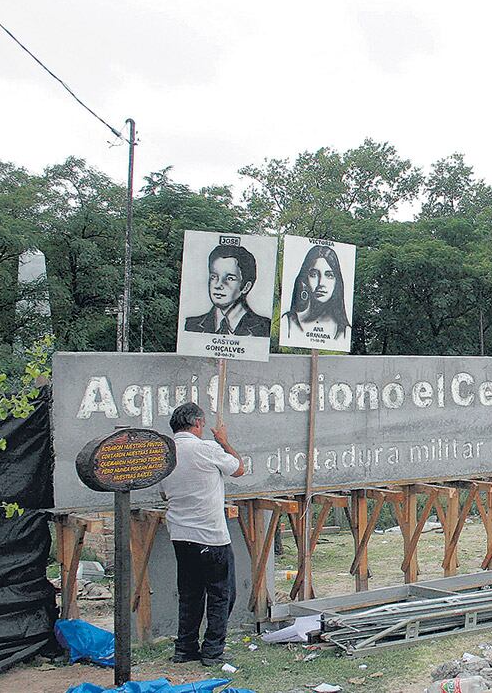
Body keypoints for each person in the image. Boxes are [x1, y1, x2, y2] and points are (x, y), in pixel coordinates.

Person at [159, 402, 245, 666]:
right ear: (197, 424)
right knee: (221, 594)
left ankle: (185, 649)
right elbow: (239, 469)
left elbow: (164, 492)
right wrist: (224, 441)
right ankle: (212, 650)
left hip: (181, 534)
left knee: (190, 594)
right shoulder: (206, 448)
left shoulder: (167, 454)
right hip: (210, 535)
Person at [184, 243, 271, 337]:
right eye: (214, 277)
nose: (218, 285)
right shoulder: (191, 325)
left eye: (229, 278)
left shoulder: (263, 328)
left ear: (246, 287)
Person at [283, 244, 351, 347]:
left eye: (329, 275)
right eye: (314, 275)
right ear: (304, 279)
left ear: (337, 282)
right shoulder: (288, 322)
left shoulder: (345, 331)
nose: (321, 283)